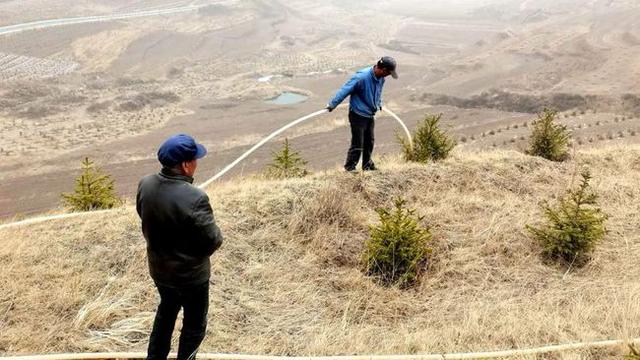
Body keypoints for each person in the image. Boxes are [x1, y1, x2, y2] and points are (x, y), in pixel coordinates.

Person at [136, 133, 223, 360]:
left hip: (160, 272)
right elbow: (213, 240)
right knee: (194, 326)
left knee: (165, 314)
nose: (196, 163)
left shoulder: (145, 184)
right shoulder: (196, 198)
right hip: (191, 278)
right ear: (185, 165)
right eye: (195, 159)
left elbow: (144, 216)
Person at [326, 56, 398, 172]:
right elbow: (345, 90)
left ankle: (367, 165)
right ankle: (350, 167)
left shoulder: (381, 78)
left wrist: (378, 103)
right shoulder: (361, 77)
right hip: (358, 115)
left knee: (369, 141)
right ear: (383, 69)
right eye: (389, 73)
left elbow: (378, 93)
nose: (389, 76)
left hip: (369, 114)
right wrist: (332, 104)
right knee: (358, 143)